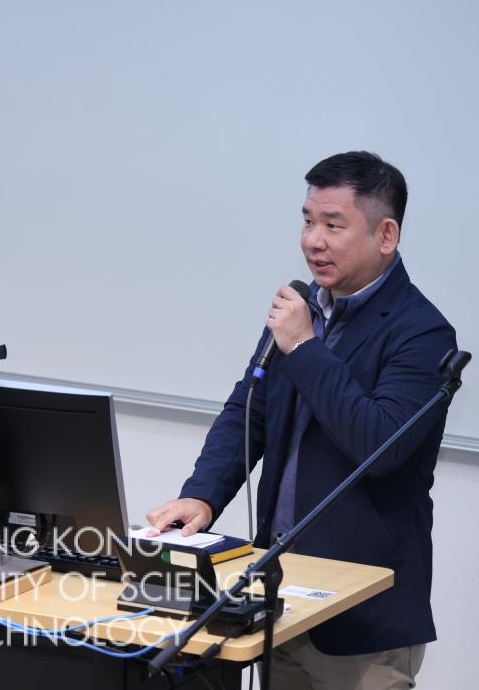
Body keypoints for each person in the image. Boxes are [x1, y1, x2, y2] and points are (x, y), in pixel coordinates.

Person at [147, 151, 457, 690]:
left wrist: (305, 348)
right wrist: (203, 495)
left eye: (333, 225)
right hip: (283, 594)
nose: (312, 241)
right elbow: (248, 410)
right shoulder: (302, 310)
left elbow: (380, 447)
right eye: (308, 221)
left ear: (386, 235)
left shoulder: (423, 332)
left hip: (364, 611)